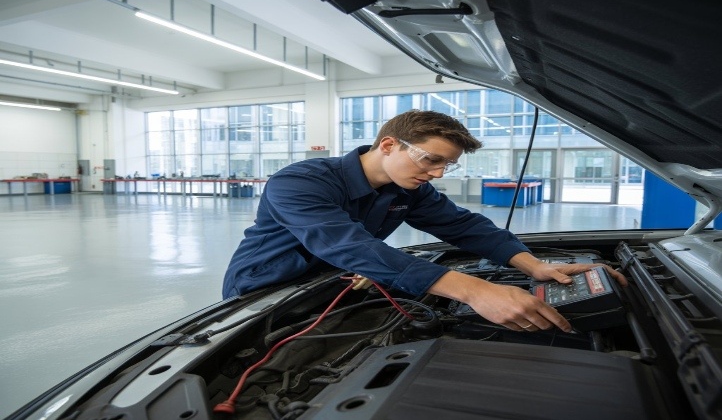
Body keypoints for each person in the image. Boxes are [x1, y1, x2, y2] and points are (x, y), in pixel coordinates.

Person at [222, 109, 627, 333]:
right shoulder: (300, 182)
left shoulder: (408, 189)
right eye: (432, 160)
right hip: (265, 289)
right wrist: (473, 291)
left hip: (334, 283)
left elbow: (465, 227)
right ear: (388, 145)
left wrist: (534, 266)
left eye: (446, 165)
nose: (437, 173)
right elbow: (350, 246)